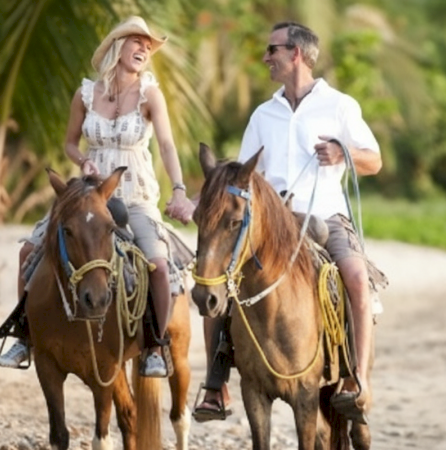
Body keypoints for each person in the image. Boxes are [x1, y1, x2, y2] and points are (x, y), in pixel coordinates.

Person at [195, 21, 384, 422]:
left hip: (327, 216)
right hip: (270, 224)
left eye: (272, 50)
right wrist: (198, 202)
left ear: (296, 53)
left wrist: (342, 152)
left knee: (355, 278)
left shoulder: (340, 106)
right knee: (216, 280)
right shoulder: (264, 114)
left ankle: (358, 381)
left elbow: (374, 160)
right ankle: (215, 384)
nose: (266, 58)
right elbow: (240, 176)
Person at [0, 16, 196, 378]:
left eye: (148, 45)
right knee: (29, 249)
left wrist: (180, 187)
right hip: (87, 198)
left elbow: (167, 145)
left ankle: (154, 346)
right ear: (116, 46)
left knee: (159, 263)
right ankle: (24, 335)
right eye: (136, 41)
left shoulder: (151, 94)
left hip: (134, 196)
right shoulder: (85, 94)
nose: (144, 49)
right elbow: (70, 143)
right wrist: (83, 160)